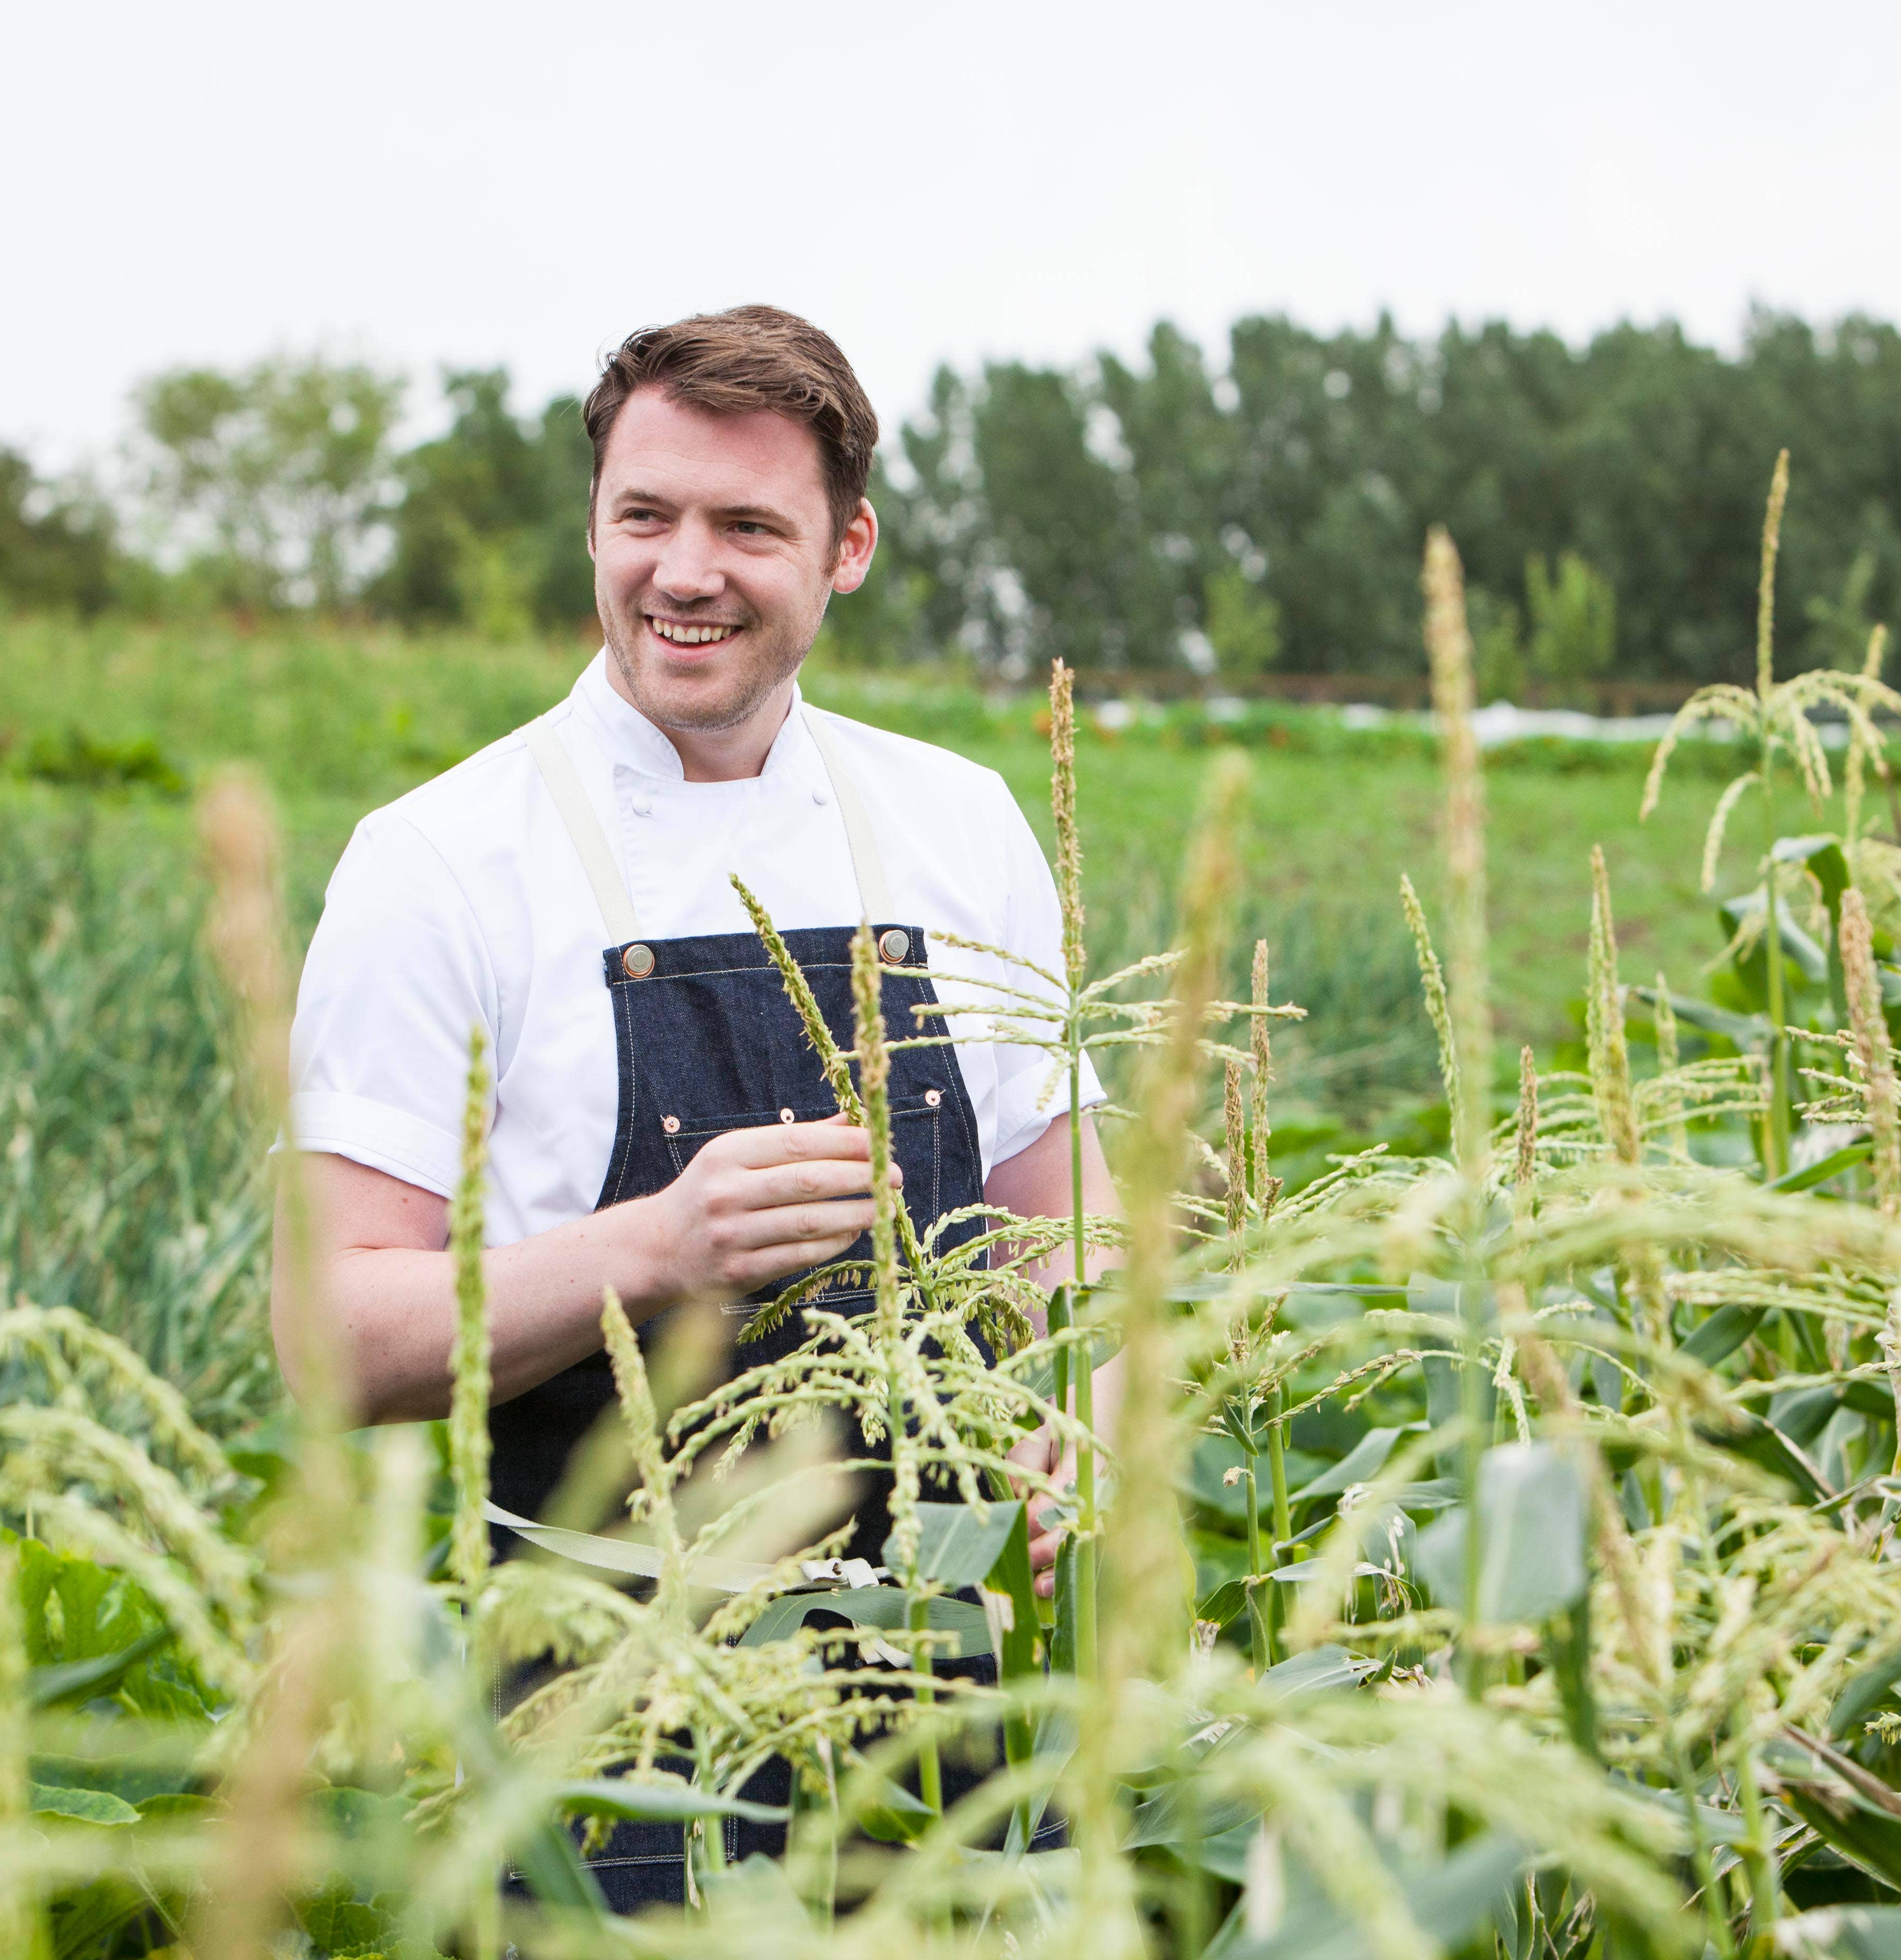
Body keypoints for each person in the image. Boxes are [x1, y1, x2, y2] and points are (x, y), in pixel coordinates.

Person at [275, 304, 1117, 1906]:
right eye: (644, 515)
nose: (683, 570)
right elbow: (333, 1334)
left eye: (748, 525)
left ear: (847, 546)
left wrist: (1081, 1413)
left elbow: (1059, 1222)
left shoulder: (959, 822)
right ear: (593, 524)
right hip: (612, 1709)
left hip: (956, 1685)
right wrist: (656, 1247)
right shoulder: (443, 863)